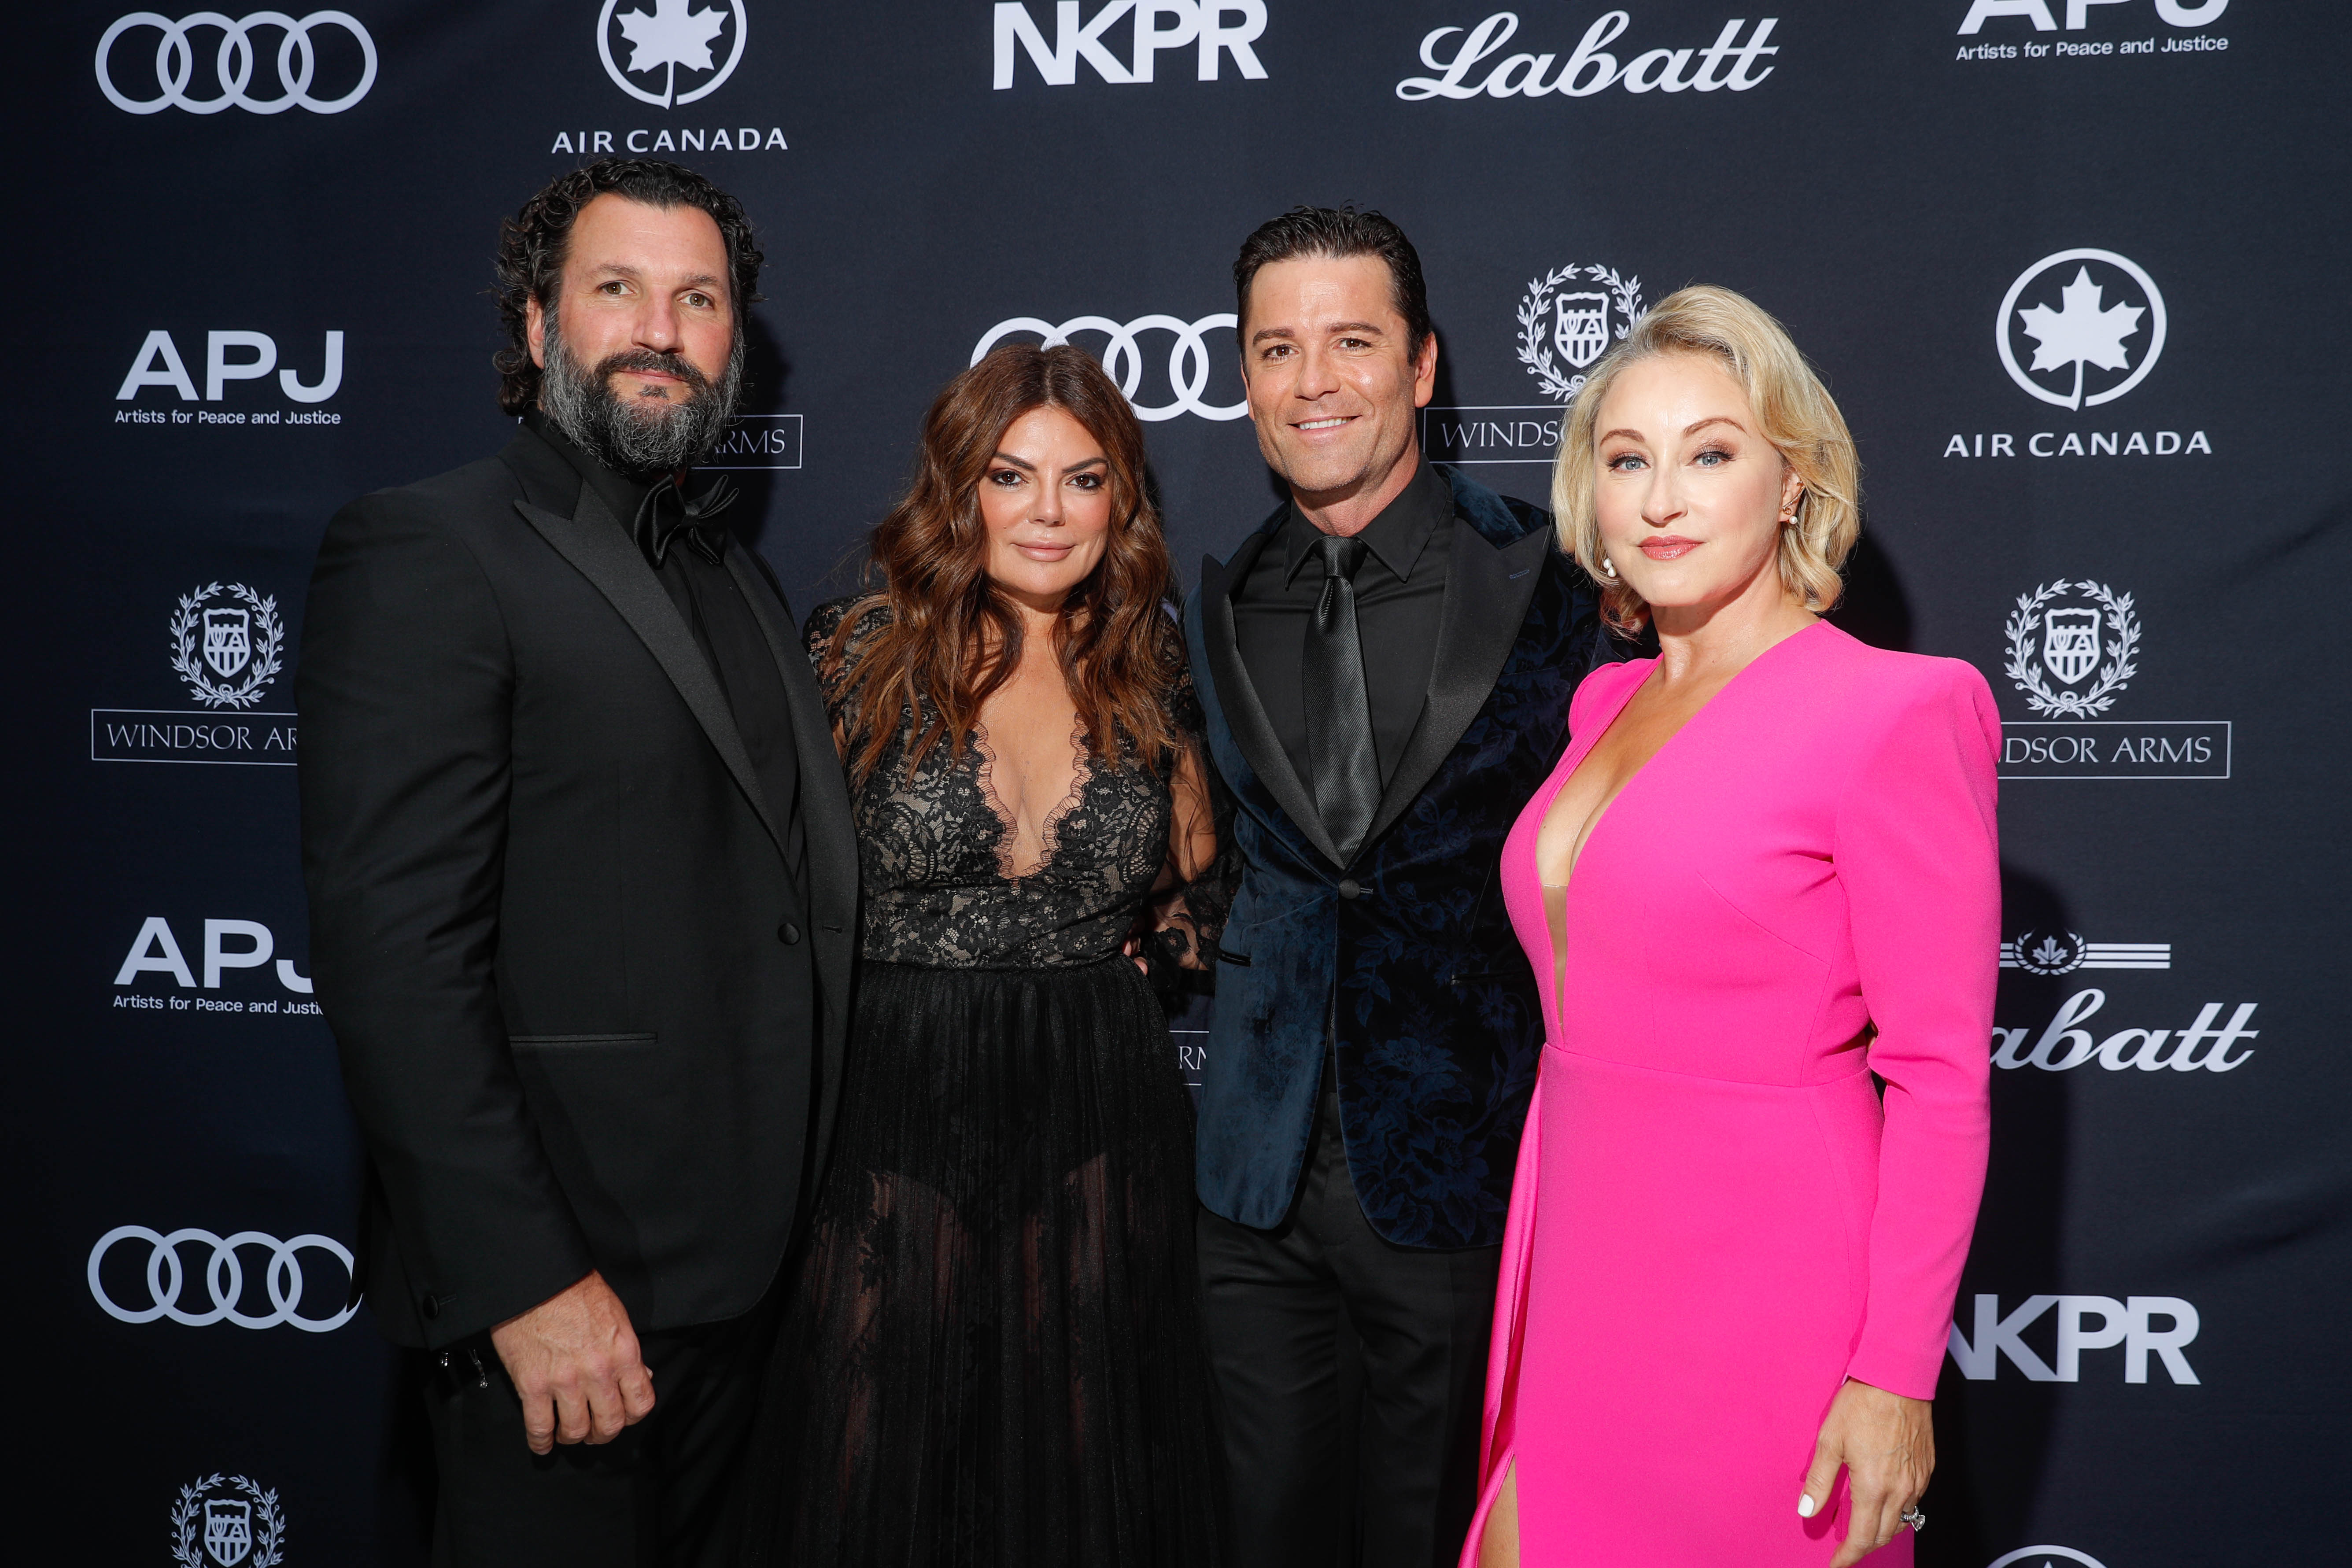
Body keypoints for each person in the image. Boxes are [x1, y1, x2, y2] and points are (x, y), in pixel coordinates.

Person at [297, 159, 855, 1568]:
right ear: (542, 328)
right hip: (566, 1313)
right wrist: (527, 1281)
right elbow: (397, 958)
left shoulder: (740, 576)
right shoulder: (430, 548)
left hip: (747, 1304)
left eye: (699, 299)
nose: (660, 328)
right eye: (618, 290)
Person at [1462, 287, 1998, 1568]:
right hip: (1578, 1257)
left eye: (1710, 454)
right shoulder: (1602, 704)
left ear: (1794, 482)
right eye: (1627, 459)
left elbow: (1938, 1075)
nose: (1662, 499)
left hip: (1770, 1286)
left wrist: (1895, 1372)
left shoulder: (1896, 710)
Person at [738, 343, 1227, 1565]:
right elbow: (774, 890)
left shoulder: (1148, 661)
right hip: (895, 1090)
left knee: (1087, 1458)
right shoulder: (858, 651)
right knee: (874, 1453)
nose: (1049, 512)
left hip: (1096, 1101)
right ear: (960, 491)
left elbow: (1200, 874)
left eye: (1084, 478)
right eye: (1012, 477)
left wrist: (1148, 953)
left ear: (1122, 498)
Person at [1184, 206, 1612, 1568]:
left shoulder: (1558, 578)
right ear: (1243, 375)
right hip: (1252, 1190)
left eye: (1351, 341)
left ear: (1422, 365)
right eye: (1277, 348)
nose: (1313, 382)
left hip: (1462, 1179)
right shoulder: (1212, 599)